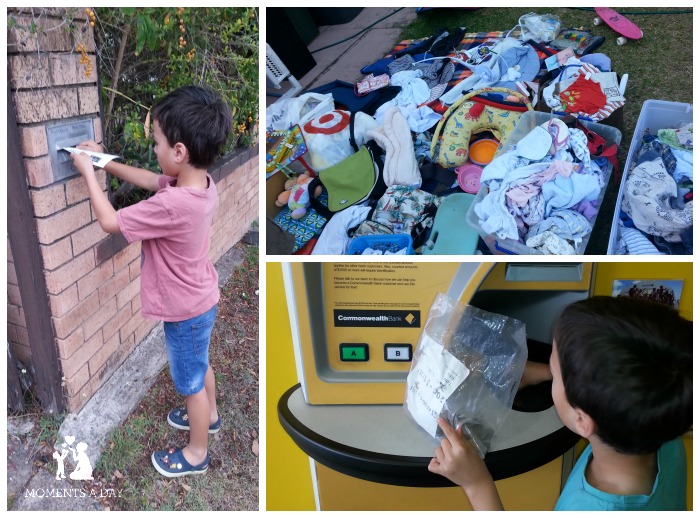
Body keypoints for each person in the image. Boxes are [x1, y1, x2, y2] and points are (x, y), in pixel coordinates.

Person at [71, 85, 232, 478]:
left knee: (190, 381)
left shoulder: (173, 204)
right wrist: (102, 162)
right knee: (200, 364)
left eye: (157, 142)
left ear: (179, 152)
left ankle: (197, 454)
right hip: (200, 299)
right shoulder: (199, 185)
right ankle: (209, 416)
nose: (154, 149)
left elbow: (110, 222)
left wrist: (86, 173)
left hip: (184, 309)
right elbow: (148, 178)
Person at [428, 296, 692, 510]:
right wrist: (547, 372)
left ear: (582, 420)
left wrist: (477, 484)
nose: (551, 372)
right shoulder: (661, 428)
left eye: (555, 369)